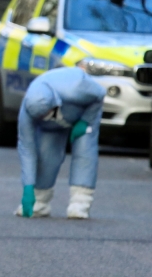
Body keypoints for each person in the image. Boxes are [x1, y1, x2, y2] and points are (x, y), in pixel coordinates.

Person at [16, 66, 104, 219]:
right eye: (41, 116)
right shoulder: (27, 112)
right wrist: (28, 187)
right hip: (50, 129)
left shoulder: (76, 88)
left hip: (81, 114)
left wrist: (85, 120)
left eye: (48, 113)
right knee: (46, 156)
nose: (46, 117)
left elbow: (100, 94)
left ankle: (80, 202)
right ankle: (40, 200)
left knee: (84, 151)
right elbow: (27, 149)